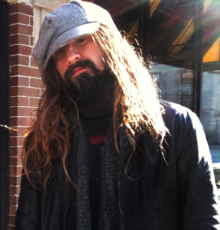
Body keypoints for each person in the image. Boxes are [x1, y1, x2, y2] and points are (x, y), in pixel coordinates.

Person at [14, 1, 220, 230]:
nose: (71, 56)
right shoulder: (44, 140)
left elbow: (202, 220)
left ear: (109, 43)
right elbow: (28, 222)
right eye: (59, 51)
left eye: (81, 40)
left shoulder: (177, 125)